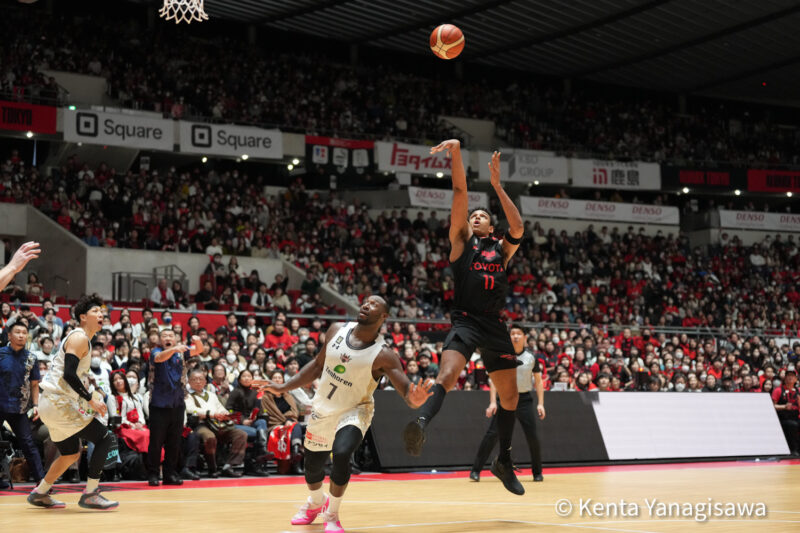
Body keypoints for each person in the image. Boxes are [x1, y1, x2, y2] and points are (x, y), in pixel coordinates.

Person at [402, 144, 526, 495]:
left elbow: (518, 226)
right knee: (448, 374)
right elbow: (459, 191)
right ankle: (421, 422)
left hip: (494, 324)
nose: (476, 216)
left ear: (491, 225)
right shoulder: (461, 243)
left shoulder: (501, 249)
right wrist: (456, 152)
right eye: (473, 215)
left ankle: (504, 461)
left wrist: (497, 186)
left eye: (482, 215)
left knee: (510, 398)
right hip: (467, 320)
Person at [254, 295, 433, 533]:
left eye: (374, 305)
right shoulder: (336, 330)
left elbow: (407, 392)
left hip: (355, 409)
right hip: (324, 407)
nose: (366, 305)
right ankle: (316, 503)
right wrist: (283, 387)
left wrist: (415, 399)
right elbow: (317, 366)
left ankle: (332, 513)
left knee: (341, 452)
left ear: (383, 317)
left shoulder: (384, 355)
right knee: (312, 467)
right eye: (366, 301)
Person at [30, 294, 118, 510]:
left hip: (52, 404)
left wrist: (89, 398)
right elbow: (69, 374)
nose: (101, 314)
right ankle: (91, 494)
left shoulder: (81, 339)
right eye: (95, 311)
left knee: (70, 453)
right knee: (105, 438)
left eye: (102, 312)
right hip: (58, 403)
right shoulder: (79, 337)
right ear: (83, 317)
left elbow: (72, 376)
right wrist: (90, 400)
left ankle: (40, 493)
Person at [470, 325, 546, 482]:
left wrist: (541, 404)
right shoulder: (502, 356)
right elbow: (493, 381)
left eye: (519, 333)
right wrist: (493, 402)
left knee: (532, 436)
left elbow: (539, 381)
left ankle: (537, 472)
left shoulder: (531, 357)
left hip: (524, 400)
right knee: (492, 435)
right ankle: (475, 470)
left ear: (524, 337)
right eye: (512, 334)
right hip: (505, 399)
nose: (516, 336)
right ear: (508, 337)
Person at [146, 328, 202, 486]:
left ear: (175, 339)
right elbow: (159, 358)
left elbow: (199, 350)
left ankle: (170, 474)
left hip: (177, 403)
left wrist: (197, 341)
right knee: (156, 442)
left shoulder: (180, 353)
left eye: (170, 335)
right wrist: (174, 349)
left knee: (174, 442)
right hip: (159, 404)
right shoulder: (156, 351)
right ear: (160, 340)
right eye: (164, 336)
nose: (167, 338)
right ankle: (153, 474)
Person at [0, 321, 46, 483]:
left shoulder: (32, 358)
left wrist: (36, 405)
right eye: (17, 332)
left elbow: (34, 385)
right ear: (9, 335)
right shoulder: (1, 354)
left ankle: (42, 482)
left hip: (19, 408)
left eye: (24, 333)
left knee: (28, 444)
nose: (21, 335)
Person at [185, 369, 247, 478]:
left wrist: (225, 413)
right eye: (194, 379)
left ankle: (229, 466)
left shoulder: (212, 395)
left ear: (205, 381)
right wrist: (211, 414)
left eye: (200, 379)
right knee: (209, 437)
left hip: (219, 424)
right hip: (201, 424)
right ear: (189, 382)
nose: (198, 381)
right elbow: (191, 409)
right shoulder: (187, 396)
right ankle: (212, 468)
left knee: (241, 434)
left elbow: (220, 407)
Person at [772, 368, 799, 455]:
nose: (790, 377)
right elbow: (772, 406)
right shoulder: (778, 390)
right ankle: (794, 449)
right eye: (788, 375)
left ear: (796, 379)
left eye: (792, 376)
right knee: (792, 425)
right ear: (785, 378)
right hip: (783, 418)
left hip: (796, 417)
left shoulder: (798, 391)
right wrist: (784, 406)